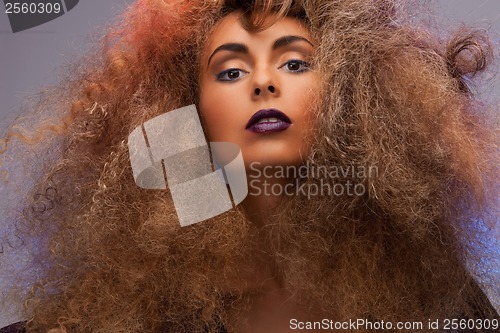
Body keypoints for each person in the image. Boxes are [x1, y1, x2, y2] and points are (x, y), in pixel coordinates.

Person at [1, 0, 498, 332]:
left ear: (354, 95)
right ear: (183, 108)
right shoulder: (124, 307)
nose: (263, 83)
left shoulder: (433, 301)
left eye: (295, 63)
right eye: (231, 70)